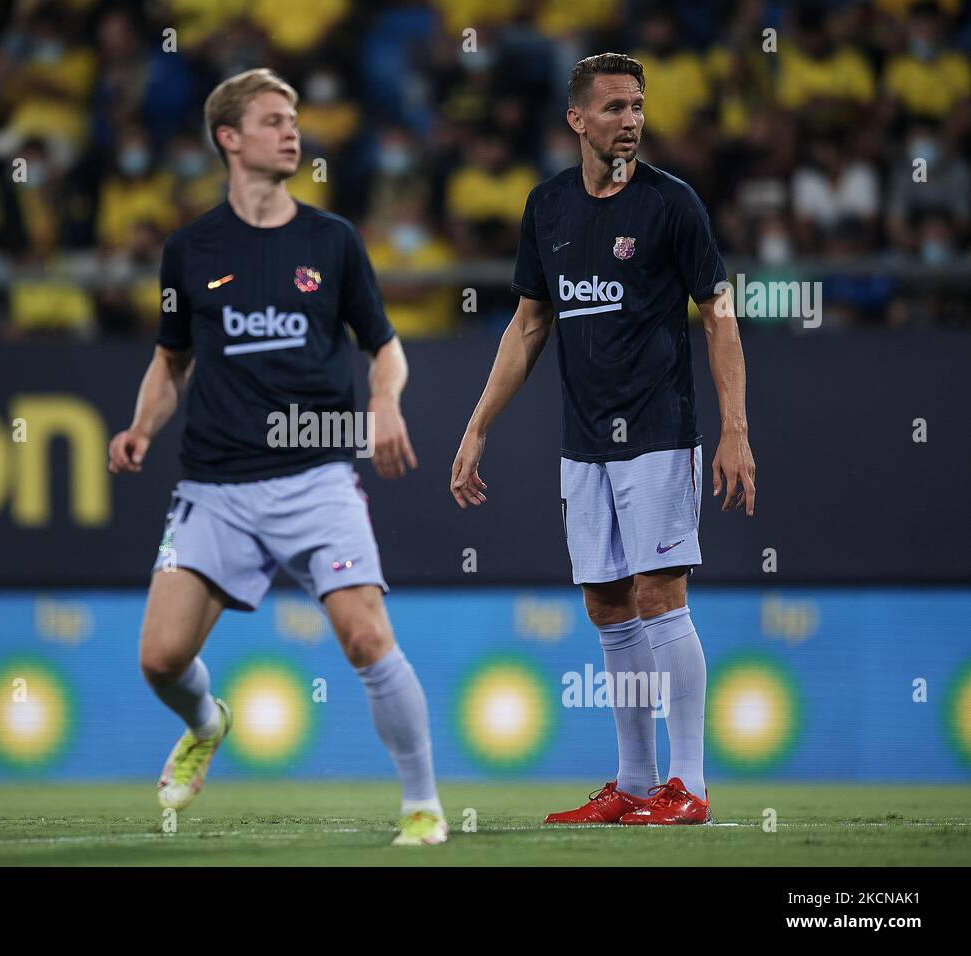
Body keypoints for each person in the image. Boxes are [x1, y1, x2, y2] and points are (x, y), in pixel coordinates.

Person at [108, 69, 447, 846]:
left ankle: (423, 804)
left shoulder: (332, 241)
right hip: (215, 483)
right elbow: (171, 360)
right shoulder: (189, 250)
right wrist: (140, 429)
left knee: (366, 636)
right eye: (272, 120)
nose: (292, 131)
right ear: (229, 139)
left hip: (316, 473)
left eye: (294, 118)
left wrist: (384, 401)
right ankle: (206, 721)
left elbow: (385, 349)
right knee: (160, 658)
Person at [451, 54, 757, 825]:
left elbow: (719, 315)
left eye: (638, 106)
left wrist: (735, 431)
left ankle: (688, 787)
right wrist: (477, 426)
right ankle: (634, 782)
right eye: (615, 107)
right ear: (576, 120)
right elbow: (527, 326)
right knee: (607, 605)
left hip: (657, 431)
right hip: (583, 441)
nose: (631, 119)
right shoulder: (546, 207)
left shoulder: (671, 204)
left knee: (660, 594)